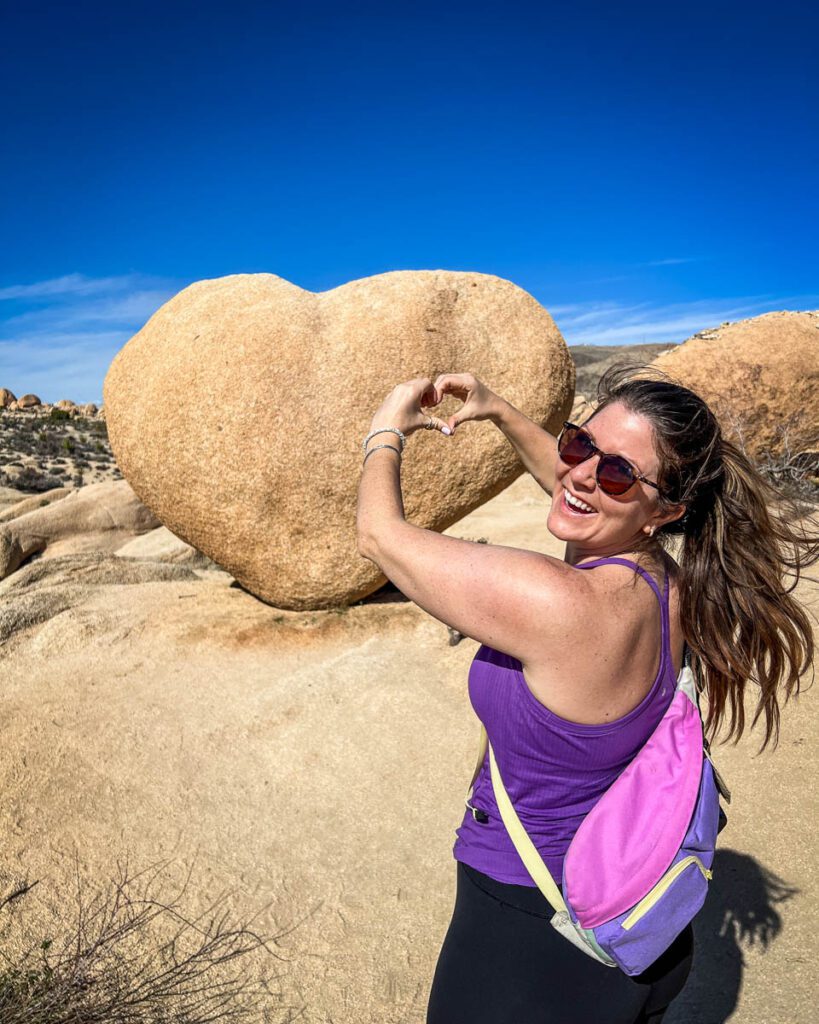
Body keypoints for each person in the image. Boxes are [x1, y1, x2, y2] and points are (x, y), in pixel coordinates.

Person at [356, 363, 817, 1024]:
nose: (578, 474)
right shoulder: (664, 580)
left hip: (532, 942)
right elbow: (583, 492)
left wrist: (385, 426)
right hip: (637, 939)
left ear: (666, 510)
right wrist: (498, 410)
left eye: (616, 473)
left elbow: (379, 537)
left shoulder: (560, 604)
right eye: (578, 445)